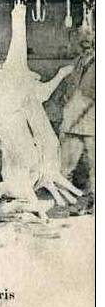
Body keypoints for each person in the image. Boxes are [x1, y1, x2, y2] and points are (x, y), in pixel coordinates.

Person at [61, 33, 95, 198]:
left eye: (89, 41)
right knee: (66, 166)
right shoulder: (78, 63)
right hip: (74, 124)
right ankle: (65, 200)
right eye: (82, 41)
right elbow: (70, 89)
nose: (85, 44)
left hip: (92, 124)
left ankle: (95, 204)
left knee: (95, 166)